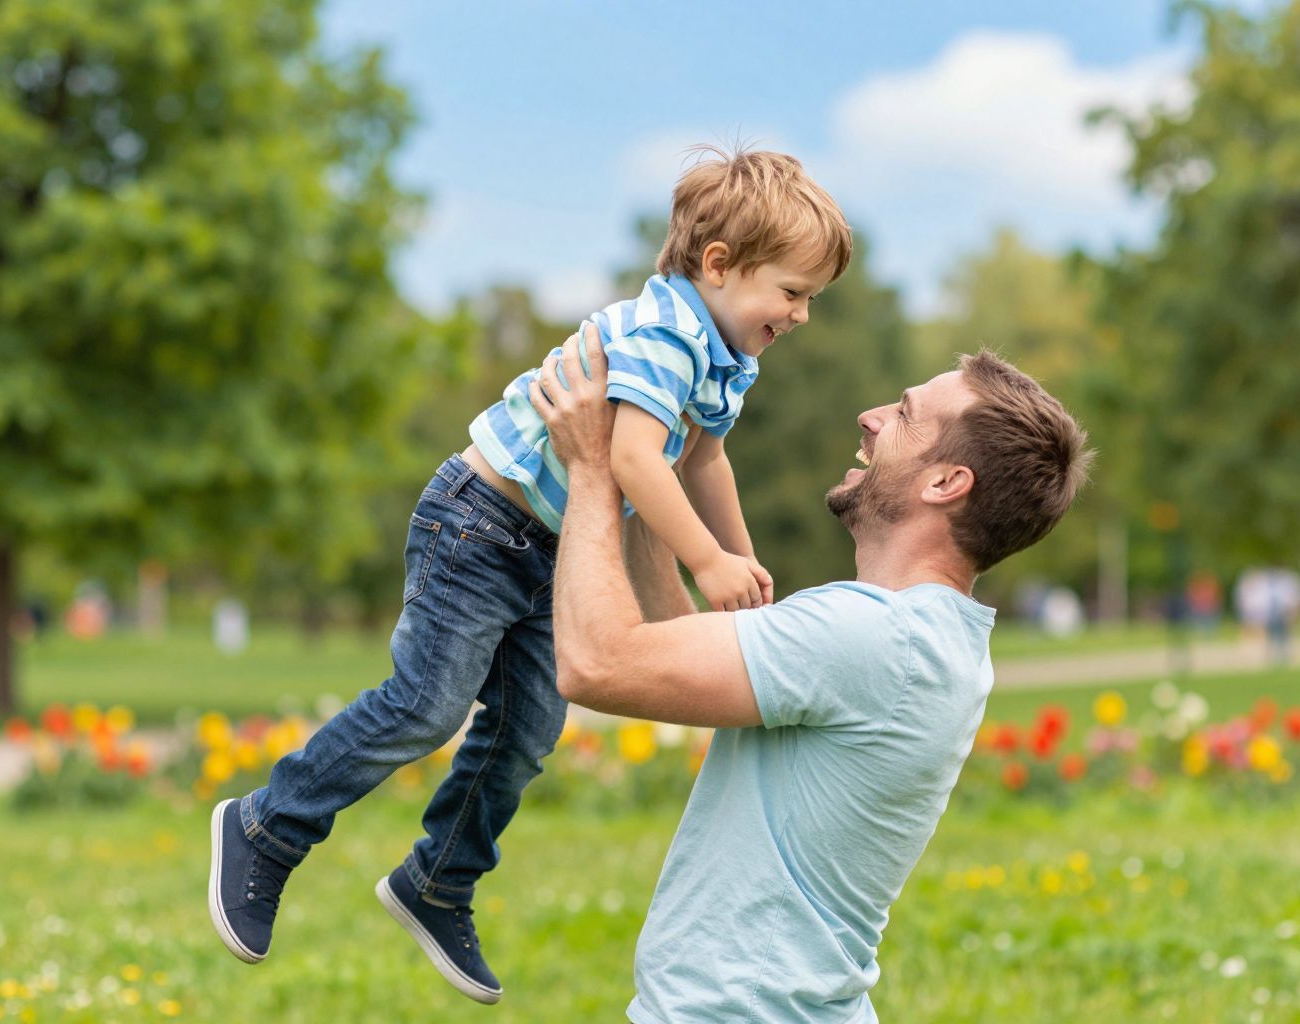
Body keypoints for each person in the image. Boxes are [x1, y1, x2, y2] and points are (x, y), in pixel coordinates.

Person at [207, 146, 852, 1003]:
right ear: (720, 265)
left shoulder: (726, 351)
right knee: (428, 702)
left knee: (527, 731)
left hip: (548, 548)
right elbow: (633, 459)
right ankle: (268, 826)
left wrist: (739, 560)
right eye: (793, 292)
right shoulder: (664, 335)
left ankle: (439, 881)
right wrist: (704, 562)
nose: (802, 315)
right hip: (478, 524)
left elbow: (704, 461)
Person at [529, 326, 1090, 1023]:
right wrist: (642, 470)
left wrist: (587, 468)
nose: (871, 416)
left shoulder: (871, 637)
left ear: (946, 482)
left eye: (905, 415)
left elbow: (596, 663)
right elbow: (669, 656)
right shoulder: (920, 638)